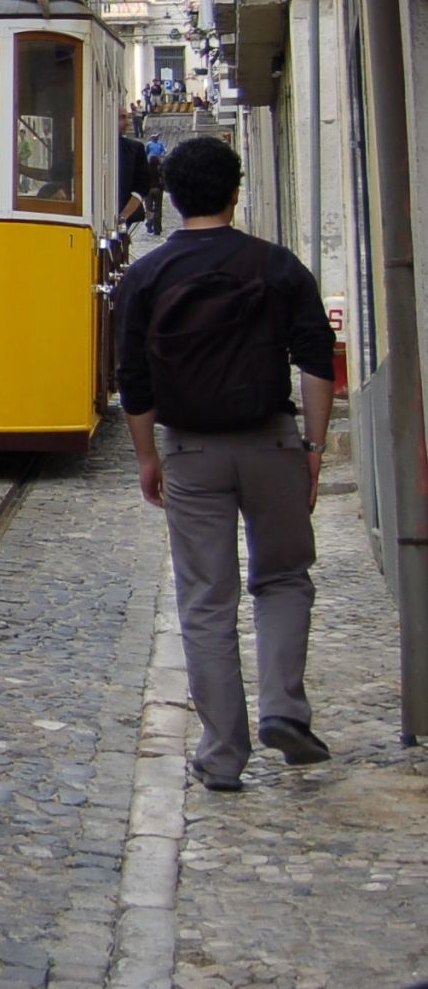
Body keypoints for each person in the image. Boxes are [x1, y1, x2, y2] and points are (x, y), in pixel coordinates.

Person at [117, 137, 337, 793]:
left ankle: (220, 755)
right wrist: (315, 448)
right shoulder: (276, 266)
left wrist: (148, 457)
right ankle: (284, 710)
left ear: (170, 198)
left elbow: (133, 380)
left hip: (189, 451)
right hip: (271, 441)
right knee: (285, 578)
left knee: (207, 601)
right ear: (236, 191)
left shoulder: (146, 277)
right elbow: (317, 359)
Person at [116, 132, 150, 232]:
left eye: (126, 117)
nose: (126, 122)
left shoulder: (135, 148)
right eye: (122, 117)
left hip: (125, 213)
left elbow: (143, 185)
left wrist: (125, 215)